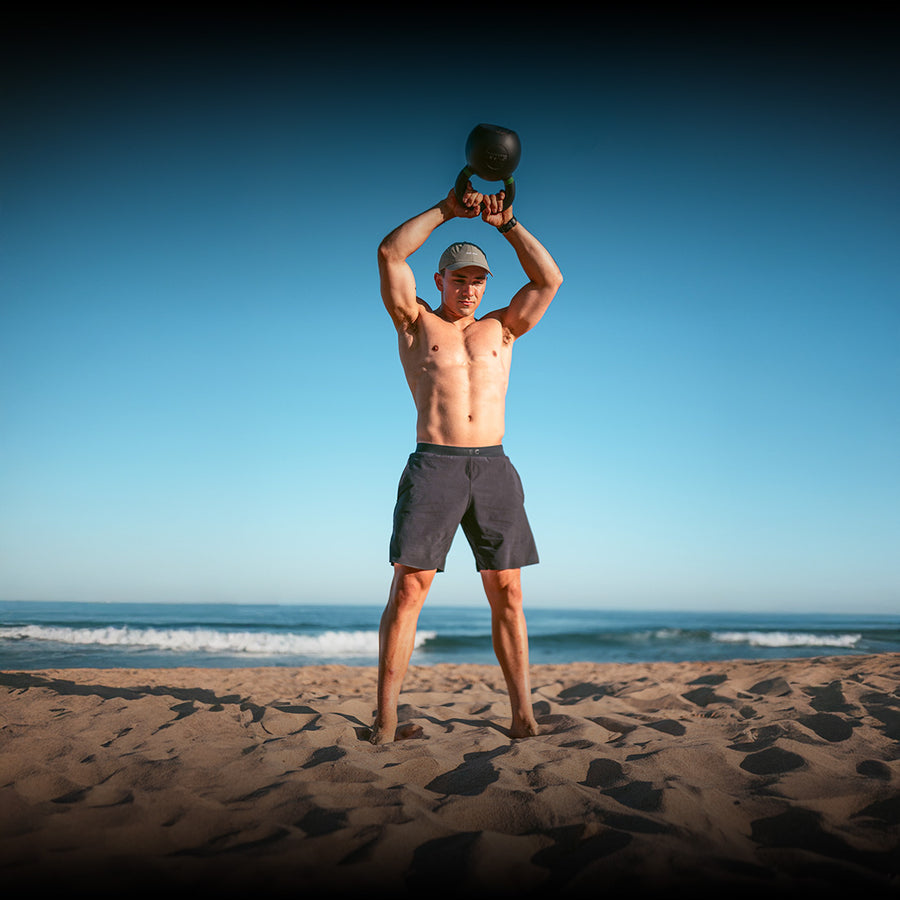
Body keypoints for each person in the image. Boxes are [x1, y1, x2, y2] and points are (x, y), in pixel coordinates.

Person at [370, 181, 563, 744]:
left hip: (494, 467)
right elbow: (389, 253)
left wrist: (508, 225)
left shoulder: (503, 327)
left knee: (508, 591)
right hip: (436, 465)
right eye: (460, 280)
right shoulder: (416, 323)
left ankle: (523, 715)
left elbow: (549, 279)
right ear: (440, 281)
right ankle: (385, 718)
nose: (470, 291)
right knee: (410, 588)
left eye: (479, 281)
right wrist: (447, 210)